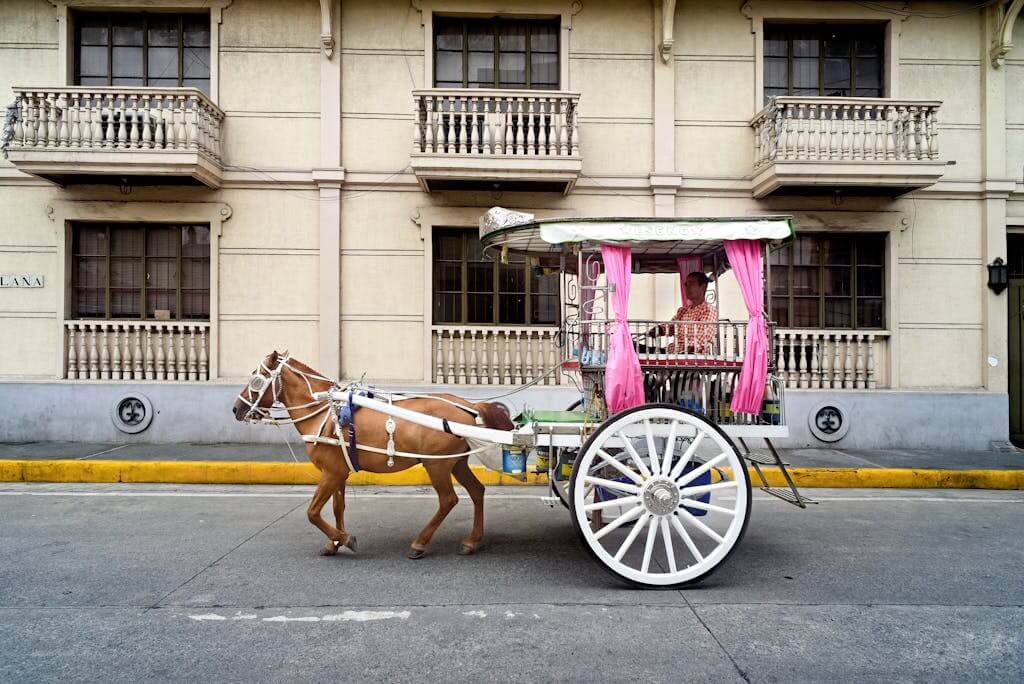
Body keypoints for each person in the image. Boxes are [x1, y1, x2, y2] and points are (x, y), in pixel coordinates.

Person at [647, 271, 718, 354]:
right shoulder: (682, 311)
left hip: (692, 357)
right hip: (673, 353)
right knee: (637, 348)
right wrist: (659, 329)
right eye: (686, 285)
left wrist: (686, 351)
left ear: (703, 287)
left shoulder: (708, 309)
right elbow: (671, 327)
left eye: (691, 284)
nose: (687, 288)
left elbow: (702, 338)